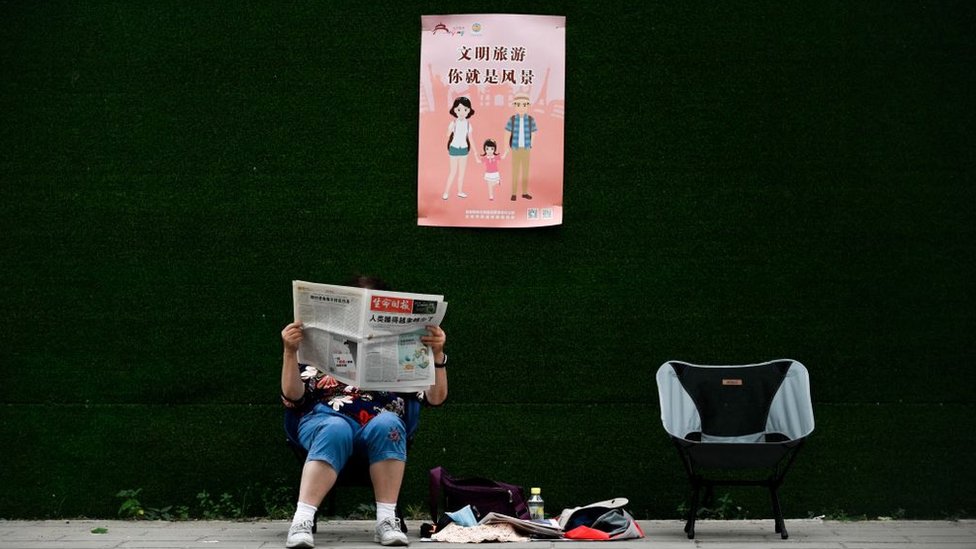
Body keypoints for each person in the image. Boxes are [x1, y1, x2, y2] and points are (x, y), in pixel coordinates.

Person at [280, 277, 449, 549]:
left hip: (380, 424)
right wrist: (290, 351)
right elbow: (292, 396)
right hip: (324, 420)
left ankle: (386, 521)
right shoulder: (314, 344)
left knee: (388, 423)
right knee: (336, 428)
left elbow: (436, 398)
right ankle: (301, 520)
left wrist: (438, 354)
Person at [502, 91, 538, 201]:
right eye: (518, 105)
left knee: (526, 171)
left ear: (528, 106)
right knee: (515, 171)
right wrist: (506, 147)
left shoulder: (531, 119)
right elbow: (507, 133)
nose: (521, 107)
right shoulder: (512, 119)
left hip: (526, 149)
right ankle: (513, 193)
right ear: (514, 106)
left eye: (524, 105)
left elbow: (533, 132)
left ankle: (524, 192)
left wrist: (531, 144)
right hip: (515, 149)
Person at [442, 96, 478, 200]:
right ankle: (446, 192)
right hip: (454, 148)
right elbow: (447, 135)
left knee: (462, 173)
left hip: (464, 150)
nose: (462, 112)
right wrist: (451, 129)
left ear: (469, 111)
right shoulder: (453, 123)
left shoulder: (468, 124)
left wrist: (475, 153)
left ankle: (460, 191)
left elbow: (471, 139)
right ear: (454, 110)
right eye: (459, 109)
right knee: (453, 172)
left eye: (465, 110)